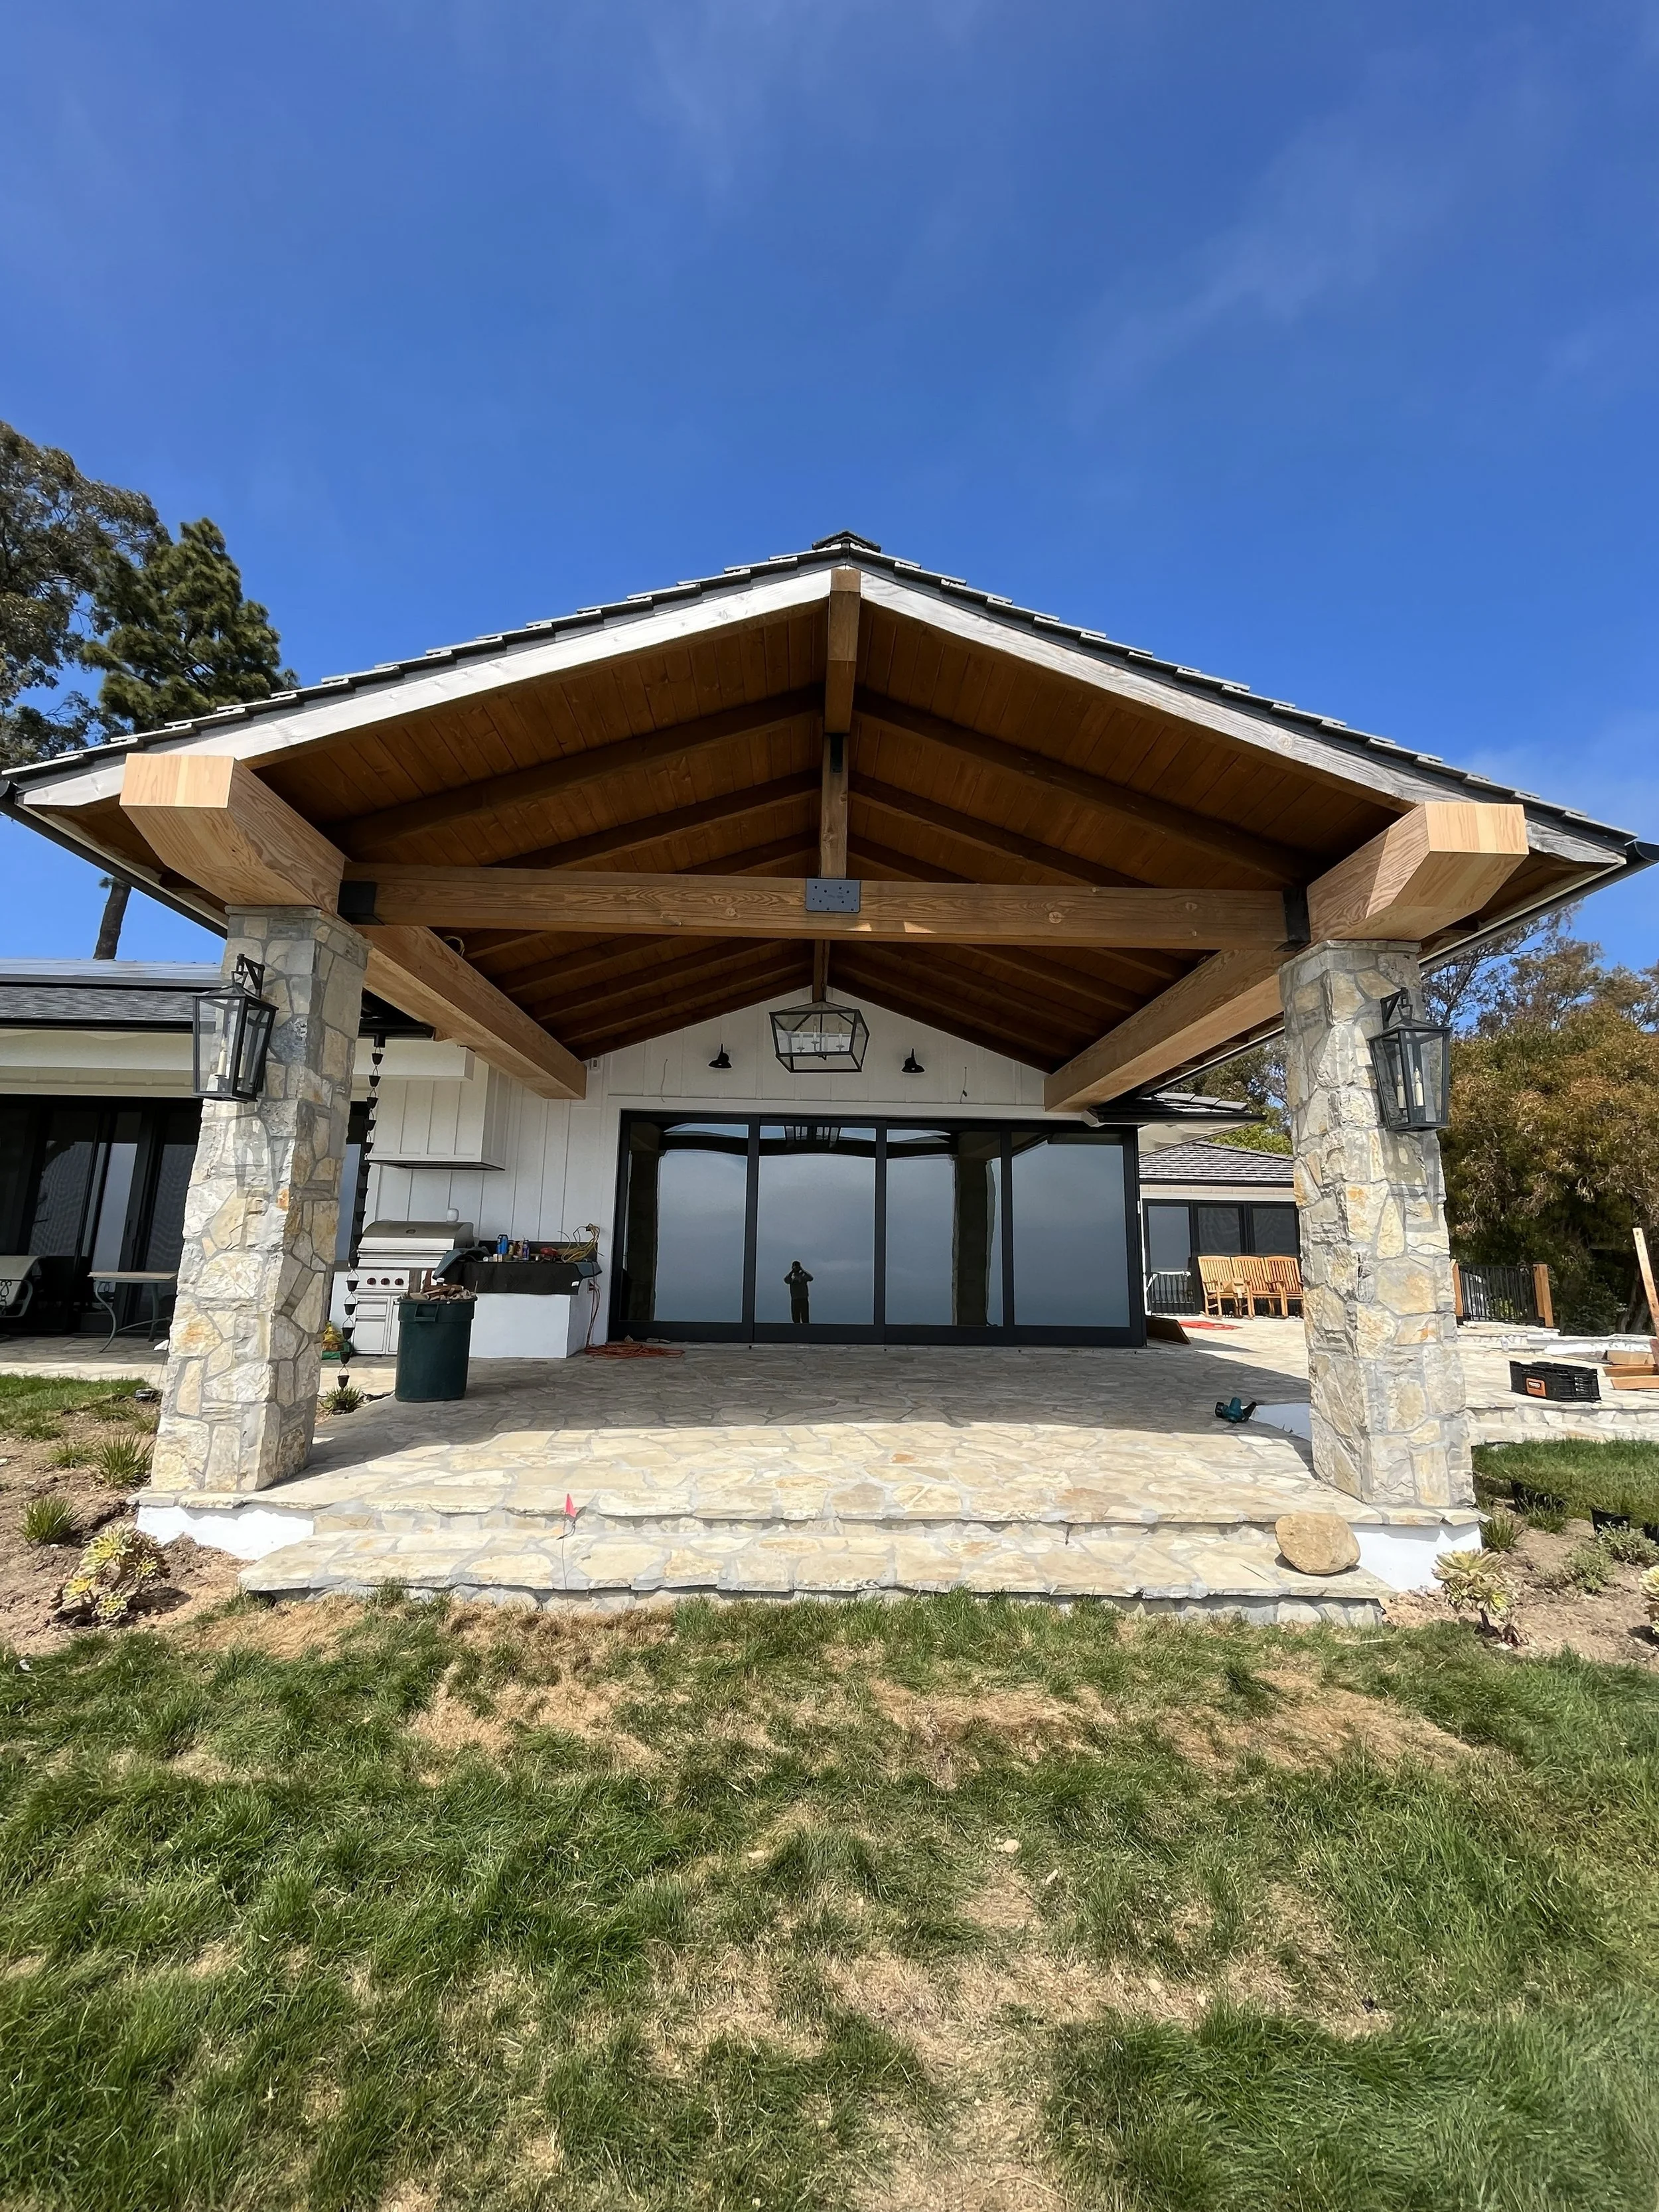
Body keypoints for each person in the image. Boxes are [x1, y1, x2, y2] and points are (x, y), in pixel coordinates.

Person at [784, 1259, 813, 1326]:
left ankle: (806, 1329)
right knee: (795, 1317)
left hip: (803, 1298)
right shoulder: (791, 1277)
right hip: (795, 1299)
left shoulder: (803, 1276)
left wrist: (803, 1270)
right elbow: (786, 1281)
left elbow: (811, 1278)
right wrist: (791, 1272)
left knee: (805, 1317)